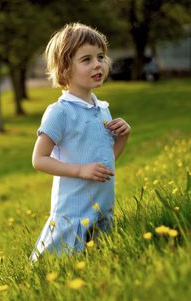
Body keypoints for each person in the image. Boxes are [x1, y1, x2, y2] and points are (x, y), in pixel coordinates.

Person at [29, 23, 131, 262]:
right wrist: (80, 170)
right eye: (86, 59)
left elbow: (105, 163)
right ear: (65, 69)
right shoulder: (60, 112)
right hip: (73, 212)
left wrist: (123, 138)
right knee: (59, 265)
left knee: (100, 262)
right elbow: (39, 159)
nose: (98, 64)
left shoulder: (102, 109)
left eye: (101, 57)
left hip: (101, 208)